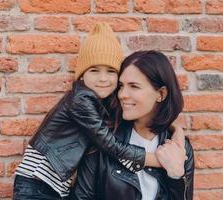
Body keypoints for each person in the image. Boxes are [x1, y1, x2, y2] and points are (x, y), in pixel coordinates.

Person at [13, 23, 184, 200]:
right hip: (36, 185)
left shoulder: (100, 105)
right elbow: (112, 145)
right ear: (81, 75)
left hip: (54, 189)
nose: (103, 79)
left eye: (111, 71)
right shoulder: (80, 100)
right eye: (94, 70)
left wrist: (176, 130)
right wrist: (157, 161)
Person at [71, 50, 194, 200]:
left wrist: (175, 174)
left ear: (161, 94)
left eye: (134, 86)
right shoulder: (103, 140)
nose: (122, 94)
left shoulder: (181, 148)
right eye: (121, 86)